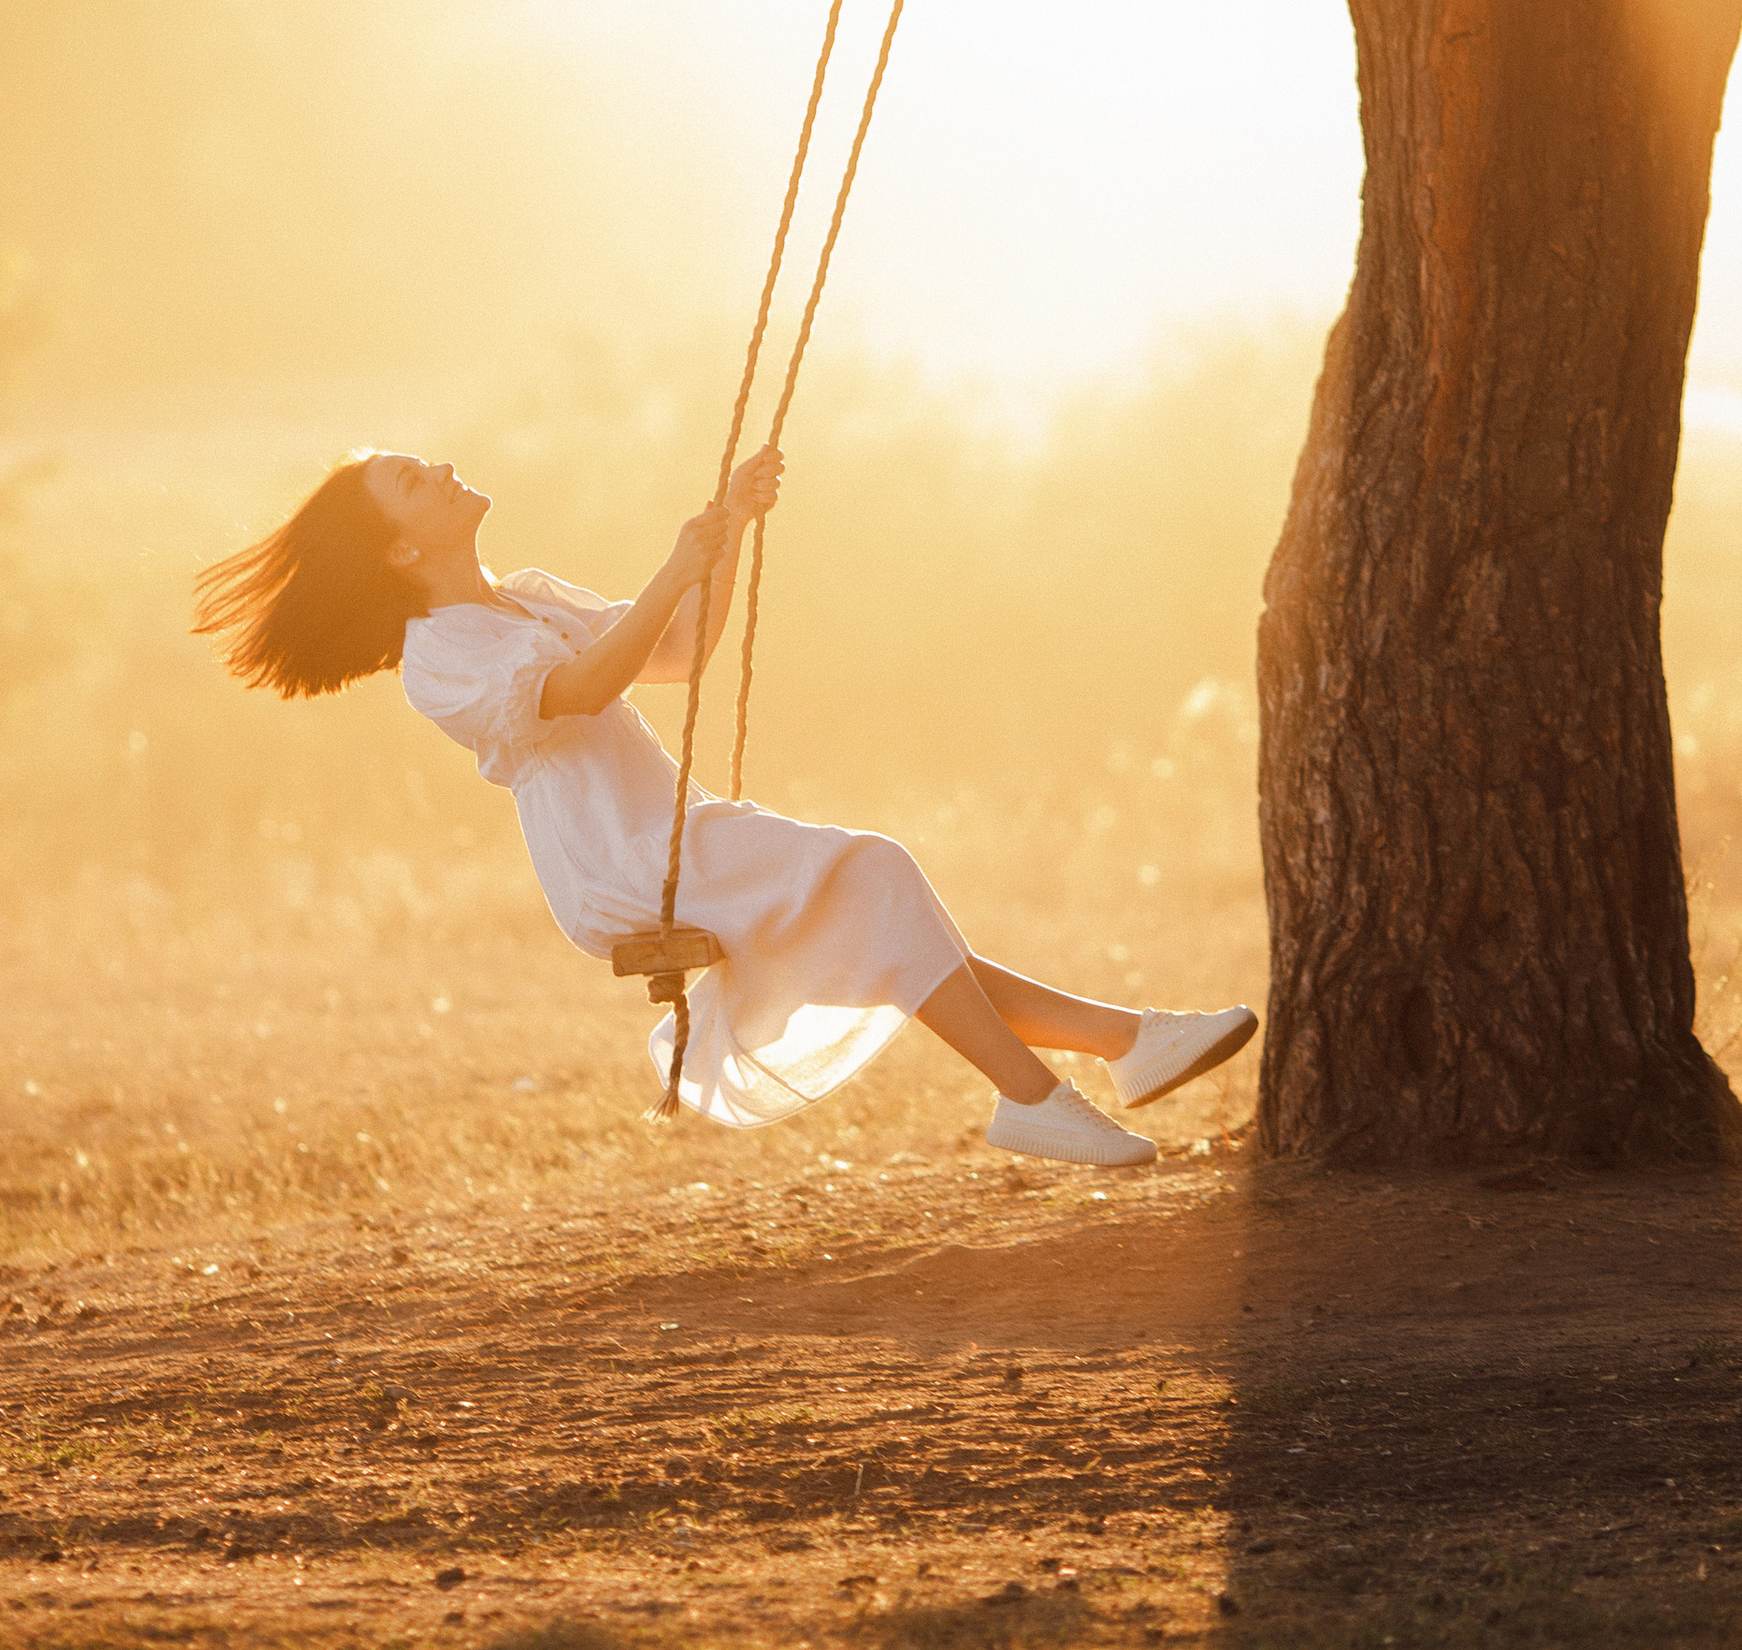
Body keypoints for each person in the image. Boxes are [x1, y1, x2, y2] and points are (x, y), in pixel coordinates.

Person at [195, 443, 1255, 1163]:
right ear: (399, 548)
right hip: (618, 859)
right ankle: (1034, 1095)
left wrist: (730, 528)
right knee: (877, 872)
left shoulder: (525, 597)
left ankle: (1123, 1045)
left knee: (886, 911)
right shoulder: (440, 657)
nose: (438, 468)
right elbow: (583, 689)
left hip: (674, 825)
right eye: (412, 480)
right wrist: (671, 566)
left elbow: (678, 651)